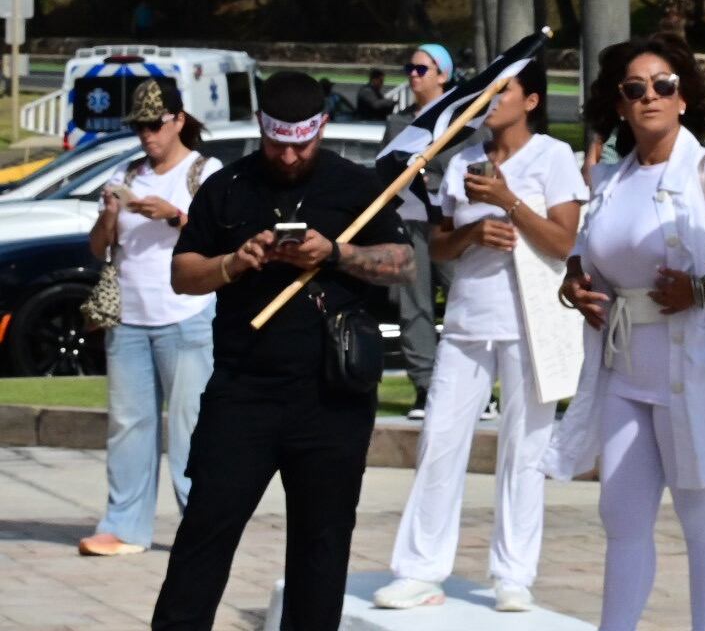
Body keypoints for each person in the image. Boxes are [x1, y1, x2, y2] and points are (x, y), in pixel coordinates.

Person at [150, 72, 415, 631]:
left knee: (322, 545)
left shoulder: (355, 185)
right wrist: (233, 262)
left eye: (303, 143)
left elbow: (403, 263)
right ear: (260, 130)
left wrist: (336, 252)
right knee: (206, 530)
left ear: (321, 129)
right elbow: (182, 274)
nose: (291, 157)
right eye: (278, 144)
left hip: (332, 396)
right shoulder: (228, 187)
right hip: (244, 391)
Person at [548, 34, 705, 631]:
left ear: (684, 97)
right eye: (635, 88)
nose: (650, 96)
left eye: (664, 85)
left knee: (701, 521)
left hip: (695, 367)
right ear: (618, 104)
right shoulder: (611, 181)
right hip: (623, 371)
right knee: (620, 515)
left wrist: (701, 290)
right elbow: (584, 250)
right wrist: (574, 281)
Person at [374, 59, 588, 612]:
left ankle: (513, 574)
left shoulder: (555, 157)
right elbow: (439, 245)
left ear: (533, 101)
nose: (492, 98)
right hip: (468, 319)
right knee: (439, 442)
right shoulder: (462, 158)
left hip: (531, 325)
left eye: (505, 89)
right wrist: (471, 232)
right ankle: (420, 569)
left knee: (524, 449)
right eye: (488, 88)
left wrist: (509, 203)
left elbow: (565, 242)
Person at [78, 80, 222, 558]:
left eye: (155, 124)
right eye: (139, 126)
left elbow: (220, 243)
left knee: (190, 428)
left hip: (187, 314)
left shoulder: (206, 171)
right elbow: (100, 247)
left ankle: (199, 527)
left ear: (179, 120)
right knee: (128, 426)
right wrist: (110, 214)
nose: (147, 135)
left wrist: (174, 215)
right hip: (129, 315)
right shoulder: (127, 171)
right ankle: (123, 526)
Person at [383, 44, 465, 421]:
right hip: (410, 224)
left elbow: (471, 166)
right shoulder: (398, 122)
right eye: (410, 69)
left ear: (443, 75)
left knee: (464, 302)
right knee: (412, 305)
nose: (413, 76)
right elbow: (385, 170)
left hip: (451, 224)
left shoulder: (464, 119)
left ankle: (467, 384)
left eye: (422, 69)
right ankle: (425, 387)